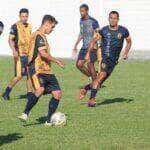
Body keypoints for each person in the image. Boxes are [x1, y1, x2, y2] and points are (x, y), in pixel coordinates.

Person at [18, 14, 65, 127]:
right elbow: (43, 54)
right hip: (38, 69)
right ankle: (25, 113)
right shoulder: (38, 36)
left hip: (47, 70)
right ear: (46, 24)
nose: (52, 29)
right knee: (40, 89)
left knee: (57, 94)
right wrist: (57, 61)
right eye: (52, 27)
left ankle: (48, 121)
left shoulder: (42, 36)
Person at [81, 11, 132, 107]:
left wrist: (126, 53)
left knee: (99, 82)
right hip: (104, 60)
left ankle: (86, 87)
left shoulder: (123, 30)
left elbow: (129, 41)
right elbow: (93, 41)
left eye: (115, 18)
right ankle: (91, 100)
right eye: (111, 18)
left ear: (118, 19)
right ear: (108, 19)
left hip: (113, 61)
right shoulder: (103, 30)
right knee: (100, 78)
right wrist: (88, 53)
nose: (113, 20)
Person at [2, 8, 32, 100]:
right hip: (19, 55)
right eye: (22, 16)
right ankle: (6, 92)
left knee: (29, 74)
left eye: (26, 16)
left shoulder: (29, 26)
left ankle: (29, 94)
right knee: (18, 76)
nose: (24, 18)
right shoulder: (15, 26)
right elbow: (10, 39)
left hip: (28, 55)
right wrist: (14, 51)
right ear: (19, 16)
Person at [73, 4, 100, 86]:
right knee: (79, 64)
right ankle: (92, 77)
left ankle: (95, 85)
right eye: (80, 11)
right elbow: (81, 34)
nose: (81, 13)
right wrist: (75, 45)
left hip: (92, 47)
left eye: (82, 11)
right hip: (84, 47)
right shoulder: (81, 21)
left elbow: (99, 35)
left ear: (87, 11)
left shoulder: (93, 21)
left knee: (90, 64)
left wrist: (98, 47)